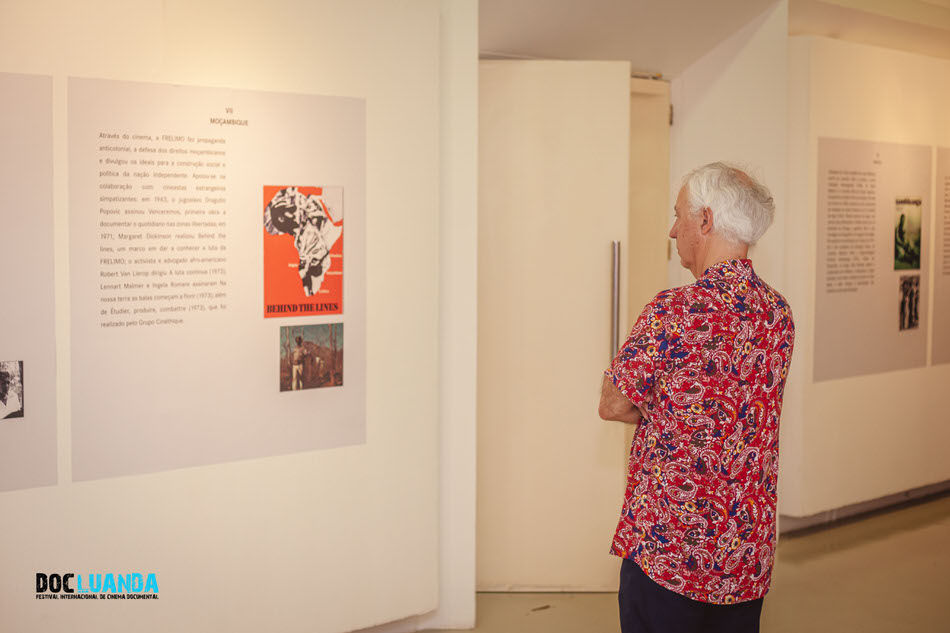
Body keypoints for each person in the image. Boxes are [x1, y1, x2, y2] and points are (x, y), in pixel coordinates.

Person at [598, 162, 795, 633]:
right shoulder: (777, 314)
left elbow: (613, 404)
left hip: (671, 552)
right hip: (744, 554)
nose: (672, 230)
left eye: (678, 215)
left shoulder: (673, 311)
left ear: (705, 220)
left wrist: (665, 407)